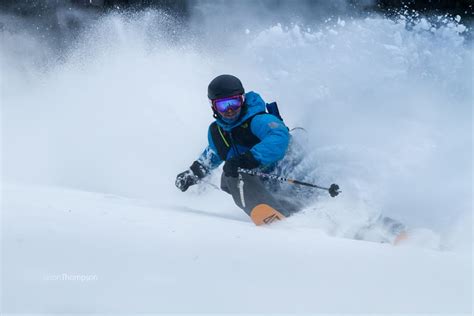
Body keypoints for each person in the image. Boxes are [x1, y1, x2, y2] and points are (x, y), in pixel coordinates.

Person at [175, 74, 298, 225]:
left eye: (234, 103)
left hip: (286, 170)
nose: (229, 110)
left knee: (234, 172)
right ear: (213, 106)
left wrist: (250, 157)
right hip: (264, 180)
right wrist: (193, 173)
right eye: (223, 105)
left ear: (243, 100)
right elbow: (212, 154)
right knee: (229, 176)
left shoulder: (258, 119)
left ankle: (279, 221)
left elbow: (279, 135)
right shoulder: (218, 132)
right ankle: (276, 212)